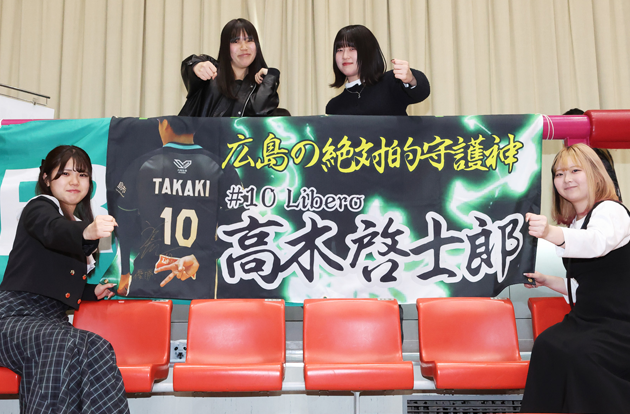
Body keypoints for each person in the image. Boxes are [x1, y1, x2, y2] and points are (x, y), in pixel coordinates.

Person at [0, 146, 129, 413]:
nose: (74, 181)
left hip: (51, 323)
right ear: (46, 179)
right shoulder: (39, 207)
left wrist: (92, 291)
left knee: (97, 347)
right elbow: (53, 230)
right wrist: (87, 231)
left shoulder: (76, 221)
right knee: (62, 343)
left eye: (82, 175)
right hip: (12, 318)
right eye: (65, 173)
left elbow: (56, 279)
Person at [520, 143, 630, 413]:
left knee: (582, 354)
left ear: (595, 173)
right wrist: (548, 280)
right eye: (559, 174)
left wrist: (549, 232)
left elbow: (596, 244)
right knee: (547, 344)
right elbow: (587, 285)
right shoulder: (576, 223)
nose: (566, 179)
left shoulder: (611, 210)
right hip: (587, 319)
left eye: (575, 171)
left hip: (619, 323)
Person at [114, 117, 242, 299]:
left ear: (164, 124)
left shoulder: (142, 164)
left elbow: (124, 223)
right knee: (194, 318)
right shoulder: (220, 166)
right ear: (195, 129)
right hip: (198, 276)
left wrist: (124, 272)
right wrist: (206, 255)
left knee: (148, 317)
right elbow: (237, 225)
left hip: (148, 275)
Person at [179, 18, 280, 117]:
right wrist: (196, 66)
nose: (244, 47)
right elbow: (189, 66)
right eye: (236, 41)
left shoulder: (260, 84)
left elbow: (260, 112)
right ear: (226, 46)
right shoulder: (212, 71)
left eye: (249, 40)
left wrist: (271, 75)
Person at [325, 24, 430, 116]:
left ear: (369, 52)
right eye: (340, 50)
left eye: (352, 49)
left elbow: (421, 92)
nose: (345, 56)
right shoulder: (333, 106)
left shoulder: (390, 82)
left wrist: (411, 79)